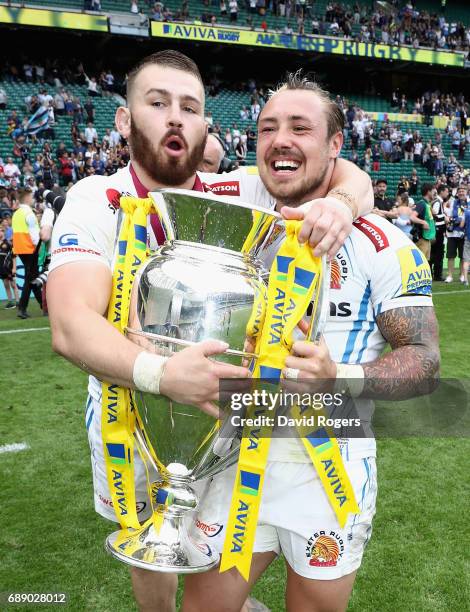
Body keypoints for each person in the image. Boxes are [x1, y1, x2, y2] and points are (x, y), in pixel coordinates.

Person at [47, 51, 374, 612]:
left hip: (215, 414)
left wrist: (340, 206)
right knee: (152, 548)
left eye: (190, 107)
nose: (175, 117)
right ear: (124, 121)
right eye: (157, 103)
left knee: (203, 544)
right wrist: (160, 374)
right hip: (133, 413)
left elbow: (344, 172)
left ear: (206, 127)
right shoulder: (94, 200)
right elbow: (71, 324)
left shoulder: (235, 192)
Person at [183, 73, 440, 612]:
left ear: (335, 145)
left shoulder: (385, 245)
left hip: (329, 469)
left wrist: (337, 378)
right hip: (234, 456)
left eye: (301, 128)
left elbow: (424, 360)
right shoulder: (233, 216)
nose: (281, 140)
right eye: (267, 128)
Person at [12, 187, 43, 318]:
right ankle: (22, 308)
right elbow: (35, 236)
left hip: (20, 249)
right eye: (32, 197)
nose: (33, 199)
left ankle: (44, 305)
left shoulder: (16, 213)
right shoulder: (29, 214)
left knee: (33, 277)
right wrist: (40, 249)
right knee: (30, 279)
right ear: (27, 198)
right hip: (30, 249)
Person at [444, 184, 468, 283]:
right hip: (452, 233)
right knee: (450, 256)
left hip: (464, 234)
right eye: (460, 191)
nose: (461, 193)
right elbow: (448, 216)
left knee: (463, 256)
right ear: (457, 193)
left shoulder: (469, 203)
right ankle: (450, 276)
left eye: (463, 191)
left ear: (466, 192)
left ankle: (462, 275)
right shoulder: (453, 202)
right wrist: (448, 219)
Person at [430, 184, 449, 281]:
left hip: (437, 230)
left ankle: (433, 274)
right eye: (446, 191)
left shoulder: (438, 201)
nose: (447, 193)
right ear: (441, 192)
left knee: (434, 253)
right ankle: (437, 275)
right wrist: (445, 217)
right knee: (438, 253)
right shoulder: (438, 202)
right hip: (438, 230)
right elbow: (435, 216)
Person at [414, 184, 436, 260]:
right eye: (433, 191)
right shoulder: (422, 204)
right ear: (428, 192)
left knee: (426, 263)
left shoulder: (427, 204)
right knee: (421, 263)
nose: (435, 193)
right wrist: (423, 222)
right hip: (422, 238)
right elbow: (412, 217)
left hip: (427, 238)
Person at [0, 226, 17, 308]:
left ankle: (18, 302)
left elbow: (14, 256)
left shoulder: (8, 243)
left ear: (3, 232)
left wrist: (14, 267)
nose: (0, 232)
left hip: (8, 267)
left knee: (13, 285)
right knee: (6, 285)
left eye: (1, 231)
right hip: (1, 269)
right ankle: (10, 302)